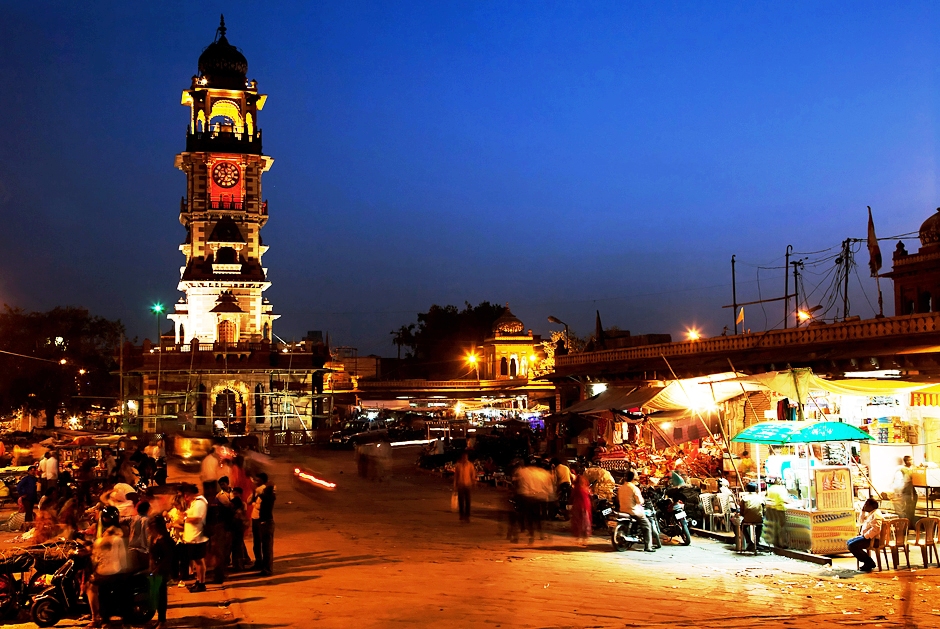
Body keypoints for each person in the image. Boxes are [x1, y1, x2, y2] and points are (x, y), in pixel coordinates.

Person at [87, 507, 128, 628]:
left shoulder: (117, 535)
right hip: (108, 570)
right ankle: (106, 620)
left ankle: (116, 620)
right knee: (106, 596)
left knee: (116, 596)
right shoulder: (105, 535)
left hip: (113, 570)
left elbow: (121, 553)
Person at [180, 484, 209, 592]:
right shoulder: (194, 503)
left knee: (199, 561)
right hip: (193, 537)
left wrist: (185, 517)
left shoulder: (199, 503)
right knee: (197, 561)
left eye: (186, 495)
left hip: (197, 537)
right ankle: (198, 581)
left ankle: (202, 583)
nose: (185, 498)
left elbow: (197, 519)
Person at [618, 471, 655, 552]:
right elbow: (639, 501)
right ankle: (648, 546)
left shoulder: (621, 488)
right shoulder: (634, 488)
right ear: (633, 478)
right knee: (647, 526)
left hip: (623, 510)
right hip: (633, 511)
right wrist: (642, 501)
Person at [148, 516, 173, 629]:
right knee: (156, 595)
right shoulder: (154, 537)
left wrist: (158, 568)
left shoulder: (163, 539)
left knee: (161, 595)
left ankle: (162, 621)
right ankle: (160, 619)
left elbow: (167, 557)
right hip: (155, 569)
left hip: (161, 570)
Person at [848, 498, 885, 572]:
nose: (864, 506)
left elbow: (876, 529)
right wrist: (863, 511)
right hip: (866, 536)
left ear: (871, 506)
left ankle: (868, 562)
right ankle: (867, 561)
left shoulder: (876, 515)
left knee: (852, 545)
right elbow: (861, 521)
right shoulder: (871, 513)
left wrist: (866, 536)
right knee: (849, 542)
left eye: (866, 505)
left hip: (872, 539)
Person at [250, 472, 276, 575]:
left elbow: (262, 497)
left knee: (267, 548)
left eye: (258, 480)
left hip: (266, 523)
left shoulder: (268, 496)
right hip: (261, 521)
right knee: (260, 545)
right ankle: (261, 565)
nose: (256, 482)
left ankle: (267, 569)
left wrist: (258, 490)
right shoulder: (263, 494)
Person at [764, 478, 792, 548]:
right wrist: (791, 502)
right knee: (782, 527)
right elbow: (784, 499)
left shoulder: (770, 489)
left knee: (774, 526)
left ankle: (775, 543)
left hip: (770, 509)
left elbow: (766, 498)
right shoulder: (781, 489)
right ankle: (782, 543)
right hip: (779, 509)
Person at [739, 482, 765, 552]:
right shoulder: (760, 498)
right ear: (756, 489)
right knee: (759, 526)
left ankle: (749, 542)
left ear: (747, 489)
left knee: (742, 526)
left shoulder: (744, 498)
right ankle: (757, 542)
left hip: (747, 519)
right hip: (758, 519)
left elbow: (741, 511)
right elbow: (764, 509)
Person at [891, 455, 917, 523]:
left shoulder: (913, 468)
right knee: (905, 509)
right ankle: (905, 524)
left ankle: (909, 523)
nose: (912, 461)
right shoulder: (902, 470)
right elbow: (901, 482)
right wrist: (899, 492)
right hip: (905, 491)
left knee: (911, 509)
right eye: (910, 460)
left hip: (912, 491)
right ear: (906, 461)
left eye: (912, 460)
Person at [569, 475, 592, 545]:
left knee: (578, 522)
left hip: (577, 506)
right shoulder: (585, 488)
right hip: (585, 506)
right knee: (585, 523)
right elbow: (590, 495)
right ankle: (585, 538)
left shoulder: (576, 488)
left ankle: (579, 537)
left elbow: (572, 497)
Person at [453, 452, 475, 523]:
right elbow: (456, 476)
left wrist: (473, 483)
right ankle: (462, 514)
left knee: (468, 501)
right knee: (461, 501)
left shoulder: (470, 465)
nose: (465, 458)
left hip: (468, 485)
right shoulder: (458, 466)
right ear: (462, 457)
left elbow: (473, 475)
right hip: (461, 485)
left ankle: (467, 515)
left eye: (466, 457)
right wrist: (455, 485)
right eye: (464, 457)